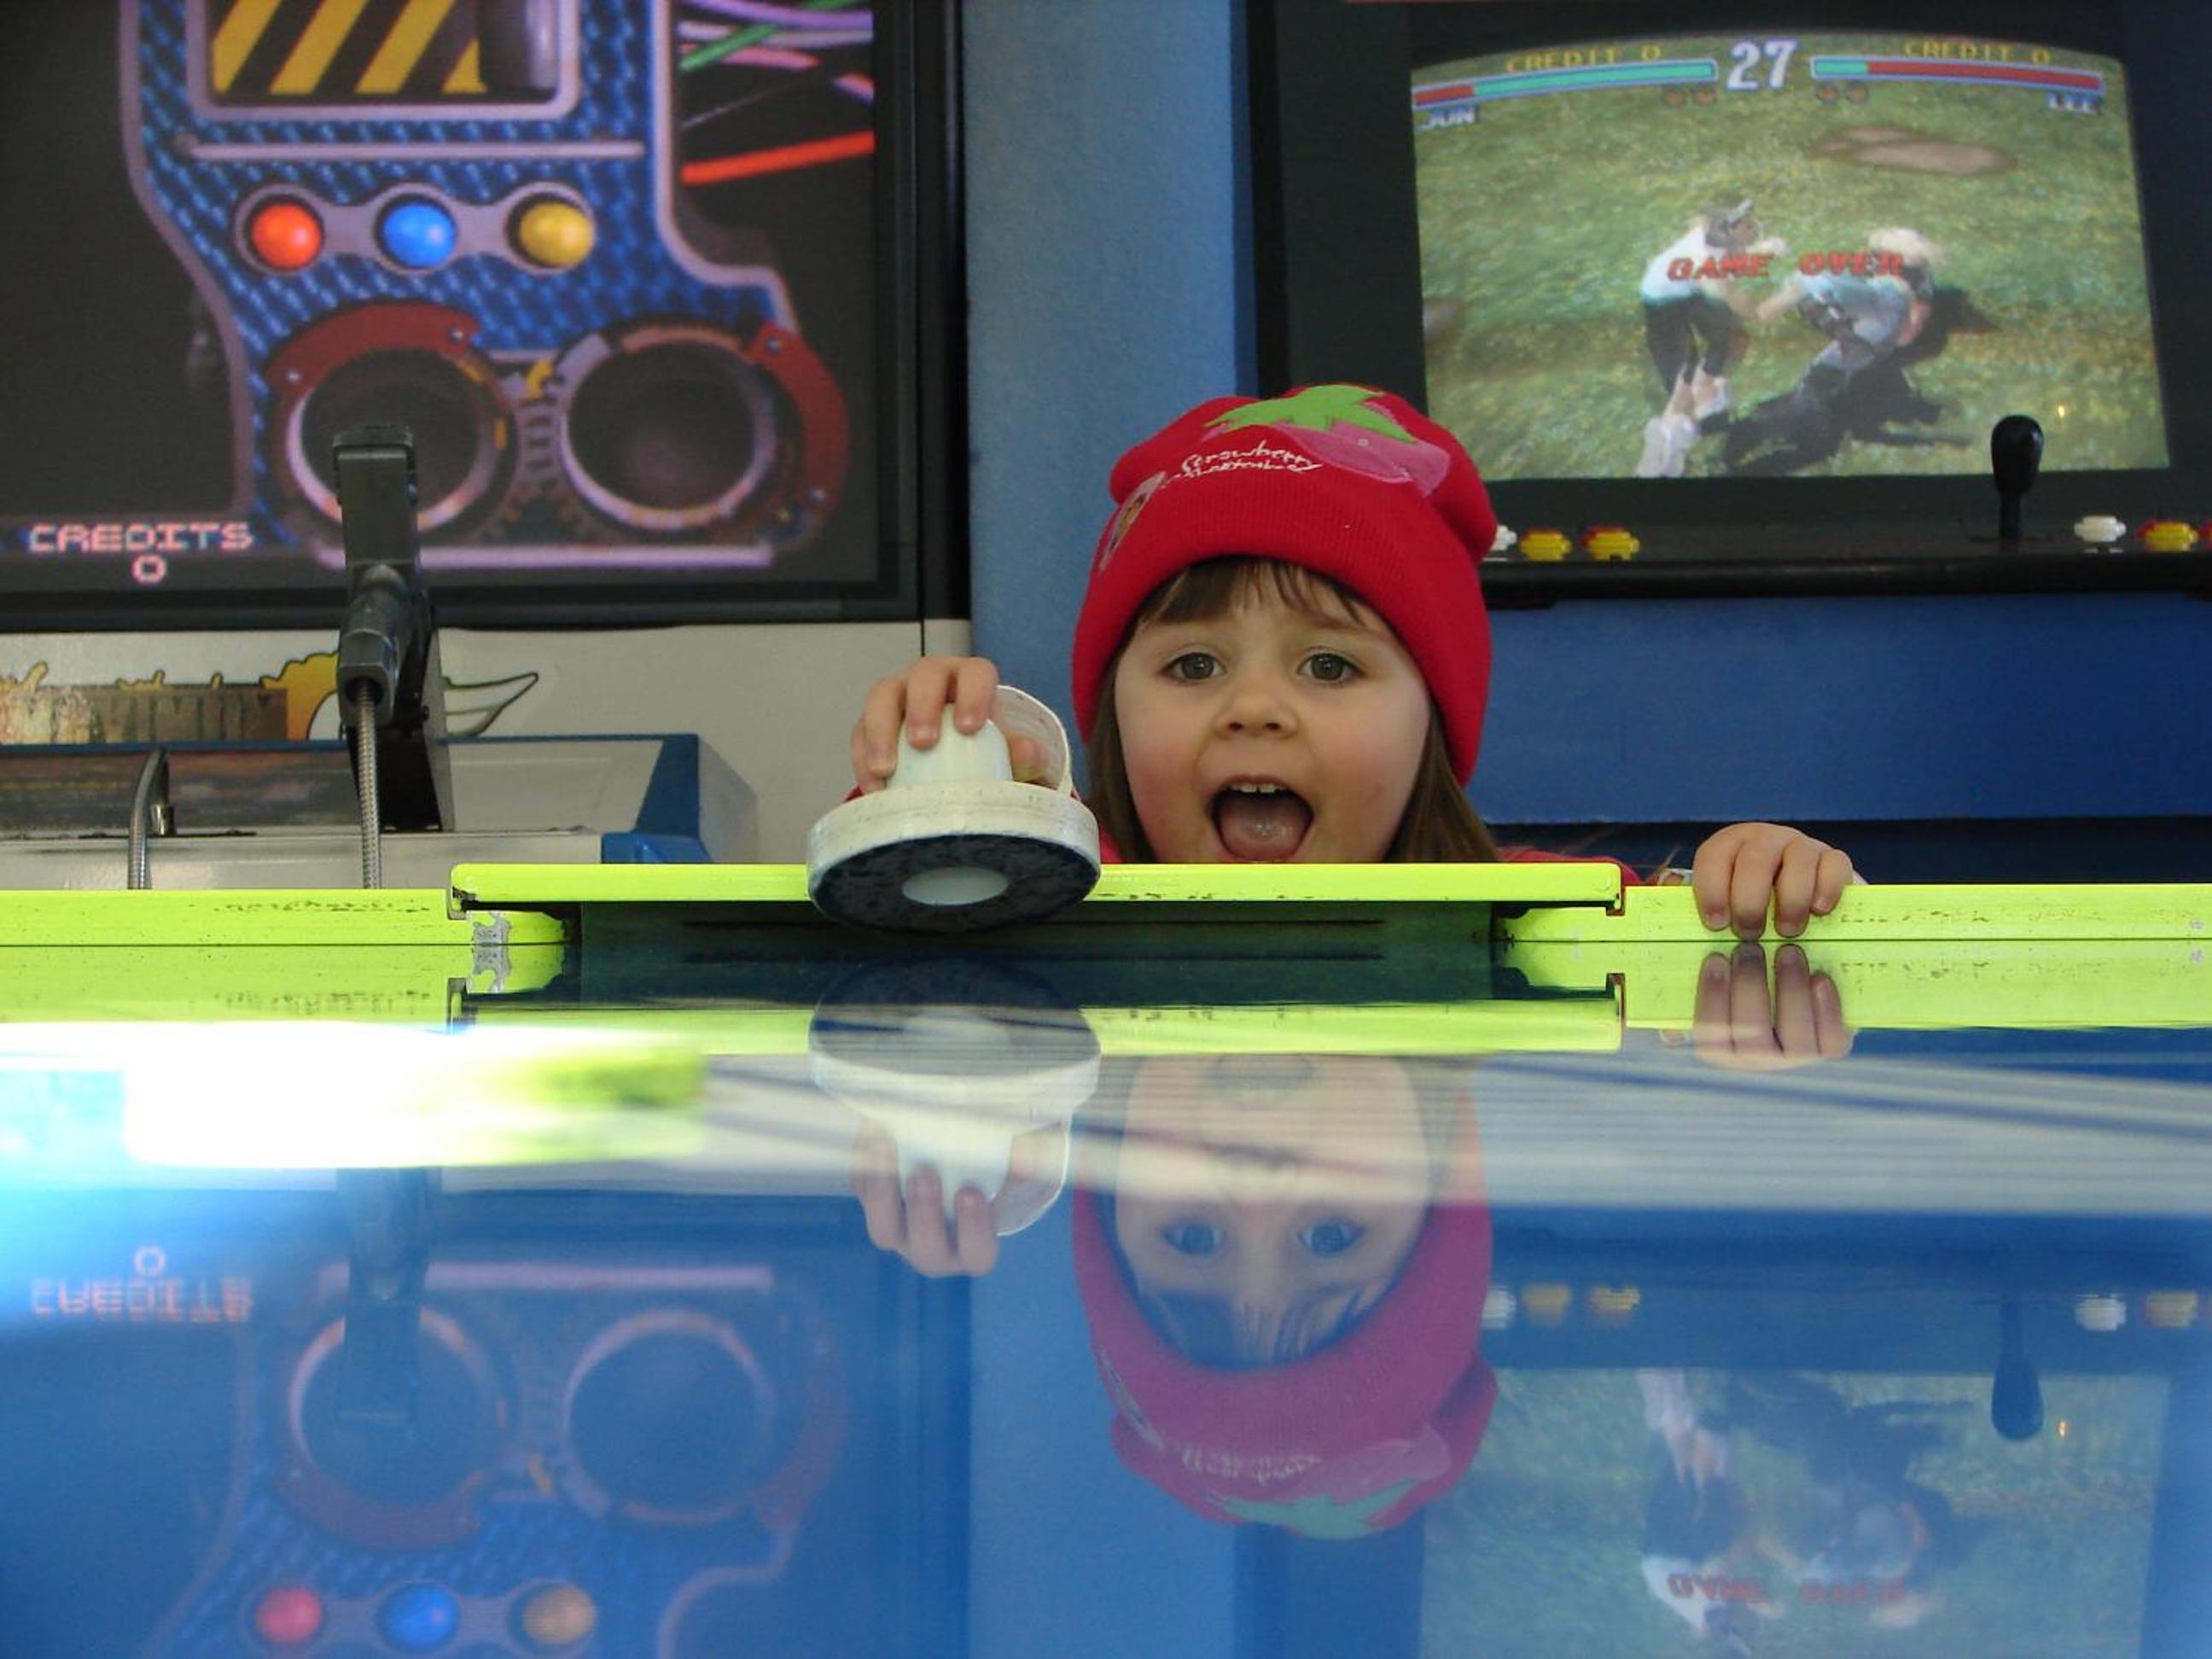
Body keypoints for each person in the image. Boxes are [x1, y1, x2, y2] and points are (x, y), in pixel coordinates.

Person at [850, 383, 1855, 939]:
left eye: (1328, 668)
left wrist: (1762, 877)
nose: (1254, 708)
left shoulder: (1536, 917)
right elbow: (897, 925)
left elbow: (1719, 954)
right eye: (1194, 666)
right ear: (1111, 713)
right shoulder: (1049, 894)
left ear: (1433, 725)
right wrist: (941, 798)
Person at [1636, 201, 1785, 478]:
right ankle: (1667, 448)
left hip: (1684, 289)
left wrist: (1758, 251)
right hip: (1663, 302)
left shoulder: (1711, 231)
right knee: (1684, 376)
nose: (1754, 229)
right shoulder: (1708, 263)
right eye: (1748, 227)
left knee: (1731, 339)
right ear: (1731, 229)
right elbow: (1738, 299)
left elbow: (1724, 256)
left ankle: (1705, 394)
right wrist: (1765, 310)